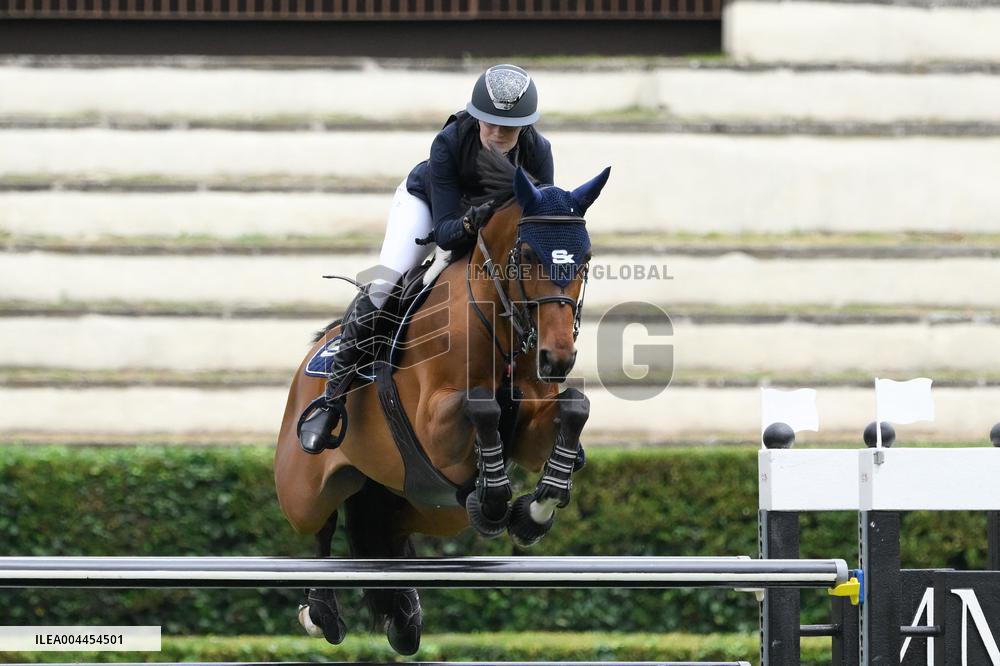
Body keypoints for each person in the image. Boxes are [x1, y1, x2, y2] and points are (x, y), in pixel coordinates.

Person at [299, 63, 554, 454]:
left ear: (525, 126)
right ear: (477, 117)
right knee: (385, 282)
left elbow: (540, 222)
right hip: (431, 208)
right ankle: (331, 399)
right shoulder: (450, 142)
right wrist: (473, 221)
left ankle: (547, 400)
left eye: (509, 127)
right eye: (490, 124)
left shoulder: (538, 151)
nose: (498, 134)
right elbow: (447, 234)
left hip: (493, 228)